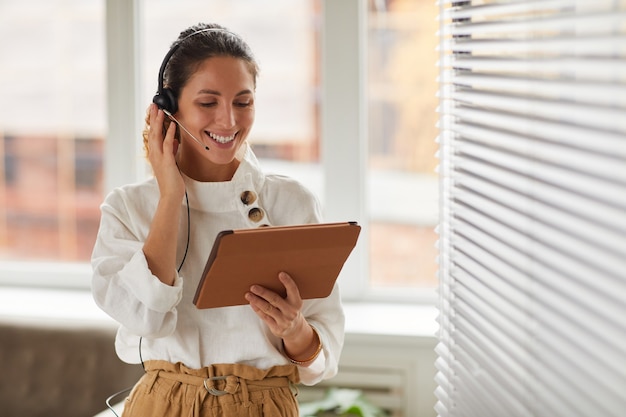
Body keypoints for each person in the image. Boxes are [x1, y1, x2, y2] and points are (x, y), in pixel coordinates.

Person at [91, 22, 345, 417]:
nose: (228, 121)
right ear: (168, 109)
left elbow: (320, 360)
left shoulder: (292, 203)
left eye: (243, 103)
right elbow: (147, 318)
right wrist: (171, 197)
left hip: (264, 405)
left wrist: (293, 330)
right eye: (208, 103)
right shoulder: (128, 208)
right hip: (163, 405)